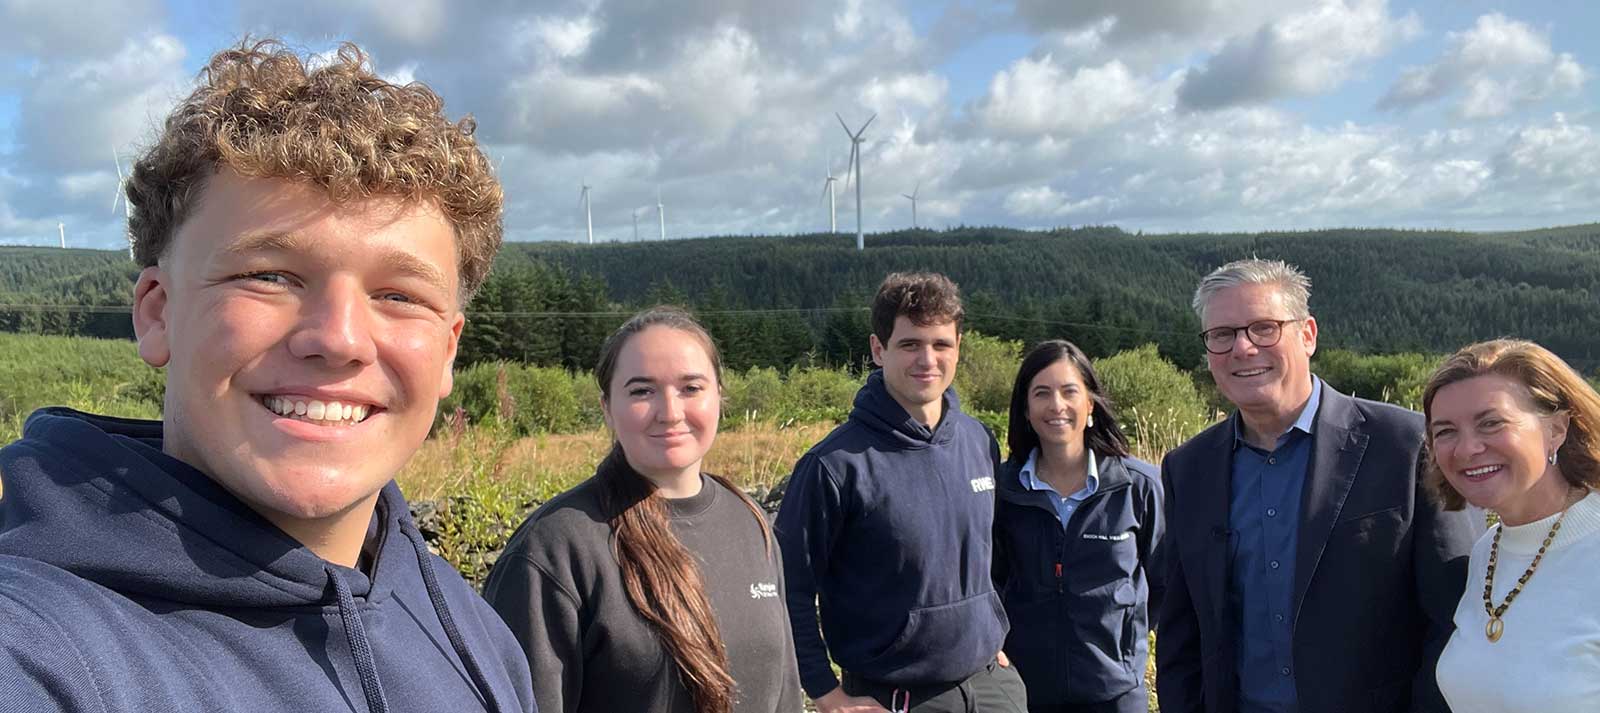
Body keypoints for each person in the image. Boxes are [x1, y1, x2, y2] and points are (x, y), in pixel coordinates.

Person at [0, 40, 535, 713]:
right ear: (158, 313)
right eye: (270, 276)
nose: (338, 339)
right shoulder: (41, 647)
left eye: (400, 294)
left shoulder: (476, 635)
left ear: (450, 349)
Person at [1155, 258, 1477, 713]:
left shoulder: (1405, 445)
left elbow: (1452, 617)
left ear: (1307, 334)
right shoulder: (1188, 467)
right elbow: (1182, 629)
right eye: (1222, 335)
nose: (1243, 348)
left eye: (1264, 328)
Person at [483, 307, 802, 713]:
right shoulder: (557, 547)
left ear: (720, 395)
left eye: (691, 388)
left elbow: (786, 696)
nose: (670, 412)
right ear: (606, 407)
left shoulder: (750, 523)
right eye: (641, 391)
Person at [775, 271, 1026, 713]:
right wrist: (824, 692)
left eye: (941, 344)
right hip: (893, 697)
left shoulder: (978, 440)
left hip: (992, 687)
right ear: (878, 349)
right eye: (910, 344)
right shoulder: (833, 466)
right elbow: (786, 588)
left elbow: (993, 549)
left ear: (958, 348)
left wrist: (993, 627)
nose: (927, 360)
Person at [1424, 339, 1600, 712]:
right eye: (1445, 431)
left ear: (1557, 429)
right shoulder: (1488, 549)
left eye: (1491, 423)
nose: (1466, 449)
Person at [992, 340, 1163, 713]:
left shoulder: (1138, 486)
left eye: (1070, 391)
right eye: (1041, 393)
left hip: (1116, 695)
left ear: (1090, 405)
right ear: (1025, 409)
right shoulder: (1002, 491)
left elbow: (1171, 593)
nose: (1056, 405)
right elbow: (986, 582)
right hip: (1022, 692)